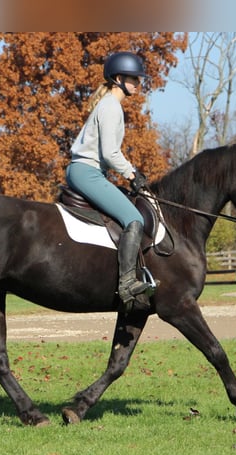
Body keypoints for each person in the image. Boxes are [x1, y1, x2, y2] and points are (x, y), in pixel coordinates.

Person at [65, 51, 154, 309]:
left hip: (88, 171)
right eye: (134, 79)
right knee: (134, 218)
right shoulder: (111, 106)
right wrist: (132, 174)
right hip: (87, 171)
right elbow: (110, 153)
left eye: (138, 79)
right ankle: (127, 282)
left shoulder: (108, 104)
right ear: (118, 78)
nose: (138, 83)